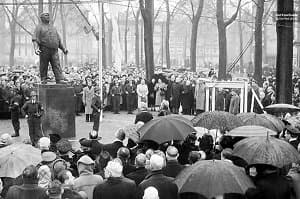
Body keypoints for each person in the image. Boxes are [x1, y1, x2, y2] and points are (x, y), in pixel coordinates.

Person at [32, 13, 68, 84]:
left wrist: (63, 49)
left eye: (48, 15)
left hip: (54, 50)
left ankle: (59, 78)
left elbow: (58, 39)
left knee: (56, 64)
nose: (48, 17)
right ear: (41, 18)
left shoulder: (53, 28)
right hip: (44, 49)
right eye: (46, 16)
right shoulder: (39, 27)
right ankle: (43, 78)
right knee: (44, 64)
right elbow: (35, 39)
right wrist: (36, 48)